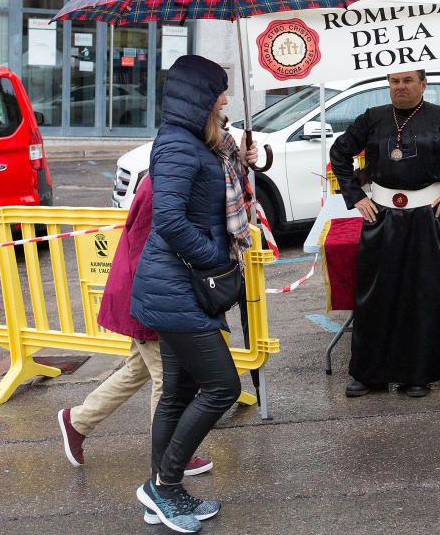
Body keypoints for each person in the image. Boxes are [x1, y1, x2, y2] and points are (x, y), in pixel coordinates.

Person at [129, 55, 258, 534]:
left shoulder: (203, 143)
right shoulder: (178, 147)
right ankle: (163, 486)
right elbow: (170, 221)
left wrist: (242, 160)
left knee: (178, 393)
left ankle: (164, 491)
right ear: (199, 96)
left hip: (176, 287)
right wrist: (216, 258)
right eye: (219, 92)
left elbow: (218, 192)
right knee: (222, 386)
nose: (225, 100)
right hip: (176, 288)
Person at [330, 69, 440, 399]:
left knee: (425, 296)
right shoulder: (372, 118)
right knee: (374, 296)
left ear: (423, 84)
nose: (399, 87)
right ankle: (368, 374)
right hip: (382, 218)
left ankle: (418, 375)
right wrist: (355, 196)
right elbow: (339, 153)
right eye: (394, 82)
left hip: (428, 218)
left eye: (407, 81)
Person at [56, 174, 213, 482]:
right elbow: (153, 245)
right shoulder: (167, 183)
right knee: (168, 381)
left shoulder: (161, 176)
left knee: (138, 370)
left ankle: (77, 421)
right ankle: (169, 457)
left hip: (142, 290)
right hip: (150, 294)